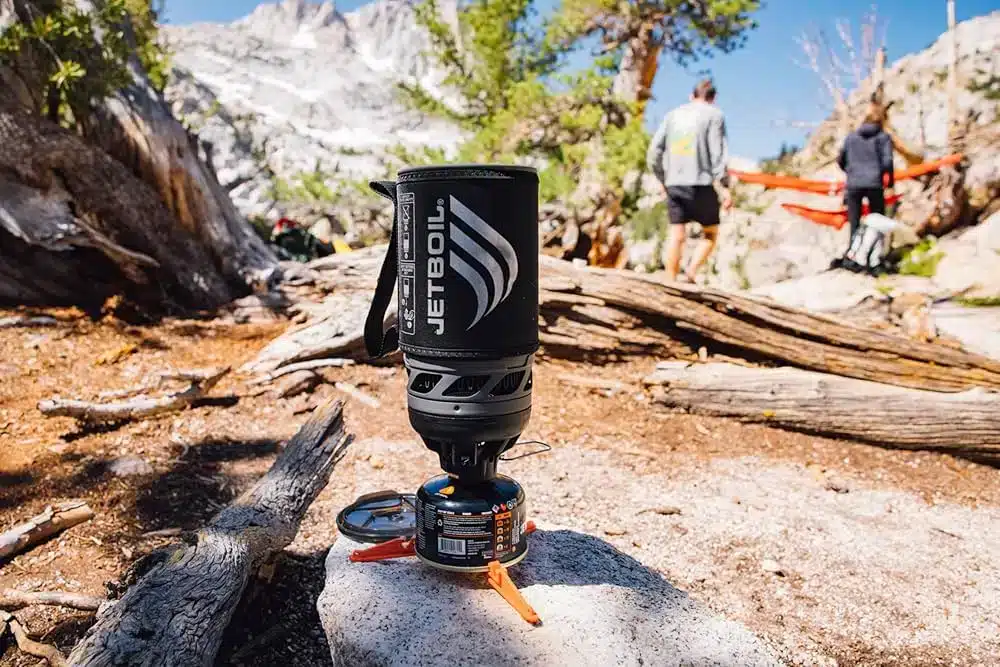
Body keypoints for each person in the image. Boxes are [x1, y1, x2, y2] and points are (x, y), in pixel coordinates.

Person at [646, 79, 732, 283]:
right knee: (710, 233)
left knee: (677, 235)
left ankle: (670, 280)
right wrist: (725, 187)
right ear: (713, 98)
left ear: (691, 96)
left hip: (674, 182)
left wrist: (662, 178)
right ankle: (691, 274)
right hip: (701, 183)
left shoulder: (672, 115)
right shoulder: (715, 115)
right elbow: (717, 154)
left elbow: (653, 152)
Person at [836, 102, 895, 260]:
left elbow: (840, 159)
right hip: (874, 184)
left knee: (854, 221)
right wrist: (889, 183)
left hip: (853, 184)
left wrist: (851, 171)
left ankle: (853, 253)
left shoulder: (851, 138)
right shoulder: (883, 137)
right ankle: (874, 256)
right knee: (877, 220)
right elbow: (887, 161)